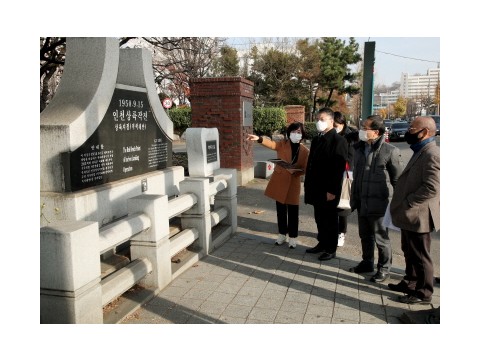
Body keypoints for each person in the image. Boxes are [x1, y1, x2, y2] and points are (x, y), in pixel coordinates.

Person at [388, 116, 440, 304]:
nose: (409, 131)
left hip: (420, 214)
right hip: (410, 214)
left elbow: (432, 187)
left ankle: (423, 293)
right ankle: (409, 282)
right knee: (409, 251)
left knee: (420, 255)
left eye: (412, 128)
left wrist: (409, 201)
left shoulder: (431, 153)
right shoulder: (420, 150)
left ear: (425, 132)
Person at [348, 115, 404, 282]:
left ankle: (384, 268)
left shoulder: (390, 151)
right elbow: (356, 175)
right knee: (365, 235)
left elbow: (397, 180)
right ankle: (367, 263)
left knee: (381, 238)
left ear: (376, 132)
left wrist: (397, 204)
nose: (362, 130)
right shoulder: (358, 149)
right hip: (361, 200)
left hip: (379, 203)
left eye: (365, 128)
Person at [247, 122, 309, 248]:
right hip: (280, 181)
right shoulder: (282, 144)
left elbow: (305, 168)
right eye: (293, 131)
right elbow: (271, 144)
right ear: (289, 132)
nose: (295, 134)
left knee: (293, 212)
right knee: (280, 211)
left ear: (302, 134)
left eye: (298, 132)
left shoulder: (305, 151)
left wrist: (298, 171)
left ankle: (293, 237)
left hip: (294, 182)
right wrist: (259, 138)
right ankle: (282, 234)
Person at [304, 108, 348, 260]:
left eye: (322, 119)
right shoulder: (317, 139)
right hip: (315, 187)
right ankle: (322, 243)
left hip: (328, 189)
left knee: (329, 220)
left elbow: (338, 168)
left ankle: (330, 248)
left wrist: (332, 190)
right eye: (317, 119)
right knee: (319, 218)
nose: (318, 122)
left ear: (331, 121)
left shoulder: (339, 141)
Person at [333, 111, 359, 247]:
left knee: (343, 206)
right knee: (331, 204)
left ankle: (341, 232)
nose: (334, 127)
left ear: (342, 124)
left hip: (346, 174)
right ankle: (333, 231)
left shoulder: (352, 137)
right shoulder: (331, 135)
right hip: (332, 173)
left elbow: (352, 157)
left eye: (336, 125)